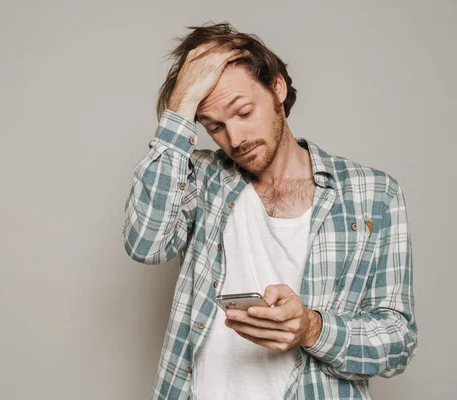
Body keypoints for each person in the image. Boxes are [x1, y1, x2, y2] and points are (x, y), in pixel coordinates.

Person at [121, 22, 417, 400]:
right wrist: (180, 107)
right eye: (215, 126)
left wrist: (312, 328)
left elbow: (398, 342)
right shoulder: (199, 177)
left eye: (244, 112)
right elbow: (146, 244)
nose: (235, 139)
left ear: (277, 86)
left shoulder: (373, 195)